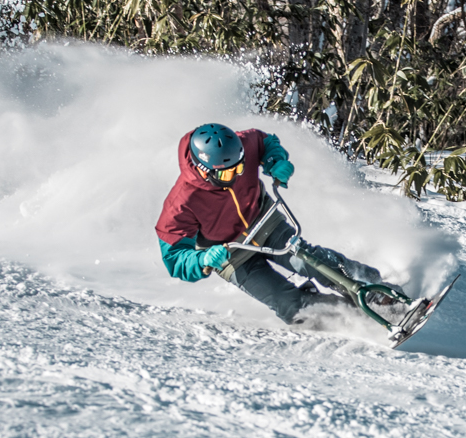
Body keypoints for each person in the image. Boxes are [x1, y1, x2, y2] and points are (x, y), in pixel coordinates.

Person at [155, 123, 390, 323]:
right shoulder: (181, 202)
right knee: (285, 302)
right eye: (228, 174)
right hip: (232, 256)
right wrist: (202, 260)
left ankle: (377, 291)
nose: (237, 175)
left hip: (265, 222)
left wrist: (274, 162)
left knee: (311, 262)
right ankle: (352, 319)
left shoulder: (241, 144)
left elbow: (264, 142)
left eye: (240, 166)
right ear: (204, 171)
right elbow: (174, 257)